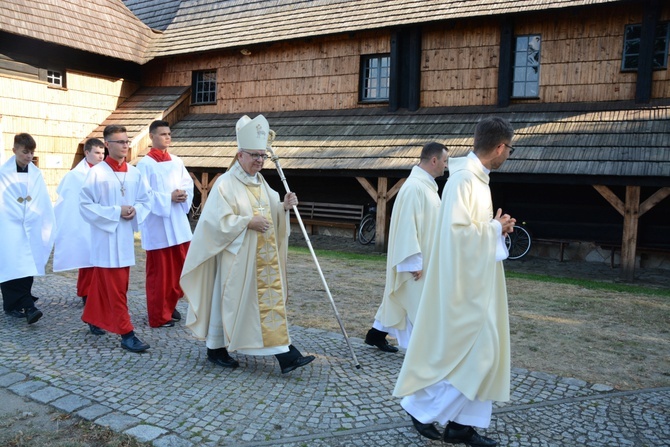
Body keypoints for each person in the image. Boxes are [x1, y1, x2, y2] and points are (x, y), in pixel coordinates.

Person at [393, 117, 516, 446]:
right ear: (501, 147)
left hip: (477, 282)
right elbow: (458, 237)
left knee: (480, 356)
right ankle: (421, 409)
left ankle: (463, 425)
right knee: (480, 355)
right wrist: (495, 229)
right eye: (509, 149)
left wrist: (493, 227)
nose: (508, 155)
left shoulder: (476, 179)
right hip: (462, 288)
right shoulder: (464, 181)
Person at [180, 114, 315, 374]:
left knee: (262, 306)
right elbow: (214, 223)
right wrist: (245, 223)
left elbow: (268, 211)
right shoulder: (225, 183)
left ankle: (285, 355)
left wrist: (283, 207)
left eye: (262, 155)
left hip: (262, 260)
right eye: (254, 155)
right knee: (230, 302)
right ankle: (216, 348)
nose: (259, 160)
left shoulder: (260, 181)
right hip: (236, 258)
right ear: (239, 155)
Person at [364, 142, 448, 353]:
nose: (446, 166)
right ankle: (418, 351)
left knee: (400, 300)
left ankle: (375, 335)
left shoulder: (427, 186)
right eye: (445, 161)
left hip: (427, 256)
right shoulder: (414, 188)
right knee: (413, 301)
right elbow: (407, 227)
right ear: (434, 160)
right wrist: (414, 261)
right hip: (416, 260)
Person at [79, 125, 152, 352]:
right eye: (120, 142)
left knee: (110, 284)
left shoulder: (135, 172)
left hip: (124, 238)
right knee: (116, 288)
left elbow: (145, 199)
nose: (125, 145)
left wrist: (135, 210)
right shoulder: (97, 173)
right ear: (108, 145)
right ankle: (126, 333)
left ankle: (92, 315)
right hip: (105, 238)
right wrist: (115, 211)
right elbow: (85, 205)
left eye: (126, 141)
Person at [137, 120, 193, 328]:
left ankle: (170, 304)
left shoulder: (177, 161)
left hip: (177, 224)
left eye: (169, 134)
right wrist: (167, 197)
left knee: (181, 269)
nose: (167, 137)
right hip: (158, 227)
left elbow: (187, 183)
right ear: (151, 137)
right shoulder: (144, 165)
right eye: (162, 134)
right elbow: (143, 195)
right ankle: (159, 315)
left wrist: (182, 194)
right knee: (161, 274)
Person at [0, 133, 54, 324]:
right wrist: (16, 215)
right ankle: (17, 304)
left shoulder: (36, 174)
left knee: (27, 263)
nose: (29, 156)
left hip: (30, 226)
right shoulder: (3, 174)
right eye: (25, 152)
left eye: (31, 152)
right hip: (9, 226)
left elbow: (41, 199)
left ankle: (22, 300)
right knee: (10, 263)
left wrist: (34, 217)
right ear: (14, 150)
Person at [52, 138, 106, 310]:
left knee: (102, 259)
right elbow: (66, 198)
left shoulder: (106, 172)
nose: (101, 157)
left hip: (102, 220)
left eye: (103, 153)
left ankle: (101, 292)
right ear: (87, 152)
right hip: (83, 222)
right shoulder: (74, 176)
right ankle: (86, 292)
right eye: (97, 153)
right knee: (86, 258)